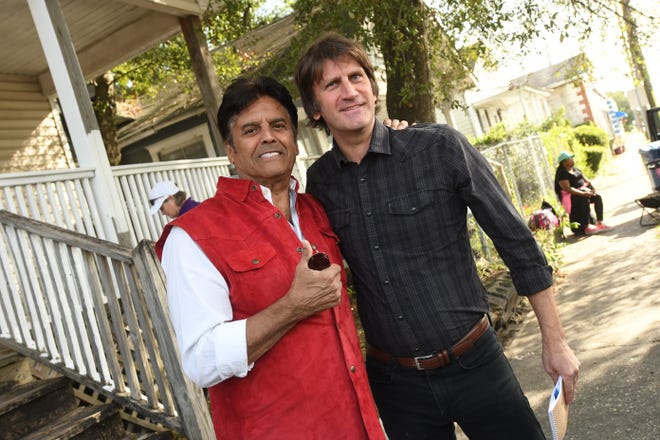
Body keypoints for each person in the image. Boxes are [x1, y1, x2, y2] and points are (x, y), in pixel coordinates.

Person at [295, 33, 580, 440]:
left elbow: (517, 243)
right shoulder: (319, 183)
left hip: (476, 364)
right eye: (332, 84)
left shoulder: (439, 148)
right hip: (397, 388)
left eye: (357, 77)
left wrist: (555, 342)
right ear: (314, 108)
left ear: (374, 89)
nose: (350, 91)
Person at [155, 77, 385, 439]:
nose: (268, 136)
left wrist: (398, 141)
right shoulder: (192, 235)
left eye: (278, 125)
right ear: (230, 150)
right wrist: (293, 305)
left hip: (356, 422)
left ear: (293, 139)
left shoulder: (316, 210)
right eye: (250, 129)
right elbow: (201, 360)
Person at [554, 151, 612, 235]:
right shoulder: (562, 174)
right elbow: (568, 189)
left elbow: (586, 180)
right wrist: (583, 193)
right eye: (570, 159)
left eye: (572, 158)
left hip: (583, 191)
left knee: (597, 197)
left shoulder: (576, 169)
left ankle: (600, 222)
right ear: (564, 162)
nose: (572, 160)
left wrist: (591, 188)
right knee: (583, 199)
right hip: (571, 196)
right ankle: (586, 226)